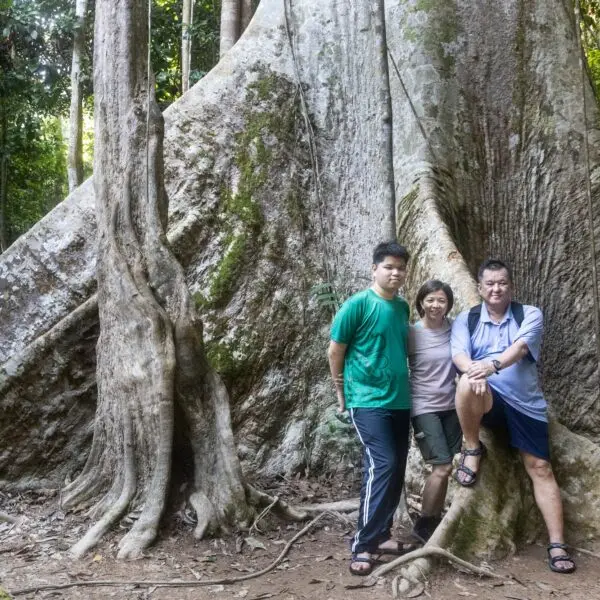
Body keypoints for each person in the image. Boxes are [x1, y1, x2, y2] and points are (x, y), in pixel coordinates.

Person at [450, 258, 576, 574]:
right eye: (489, 283)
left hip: (526, 405)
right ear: (479, 287)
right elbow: (459, 355)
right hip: (488, 401)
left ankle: (557, 543)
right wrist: (474, 372)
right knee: (467, 382)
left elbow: (520, 349)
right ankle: (472, 447)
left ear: (511, 286)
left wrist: (490, 366)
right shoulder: (466, 319)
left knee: (541, 468)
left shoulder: (529, 314)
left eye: (502, 283)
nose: (496, 288)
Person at [328, 241, 414, 576]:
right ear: (374, 269)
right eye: (389, 267)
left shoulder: (403, 308)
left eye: (401, 268)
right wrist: (341, 393)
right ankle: (362, 544)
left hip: (400, 400)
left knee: (393, 469)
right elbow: (335, 351)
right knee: (384, 463)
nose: (395, 273)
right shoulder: (358, 305)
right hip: (366, 400)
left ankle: (381, 535)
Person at [408, 280, 461, 544]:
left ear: (448, 304)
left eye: (441, 300)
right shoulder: (412, 333)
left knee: (447, 467)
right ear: (420, 303)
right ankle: (424, 524)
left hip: (452, 407)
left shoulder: (456, 329)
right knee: (441, 466)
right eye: (430, 300)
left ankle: (435, 519)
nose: (435, 305)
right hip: (424, 407)